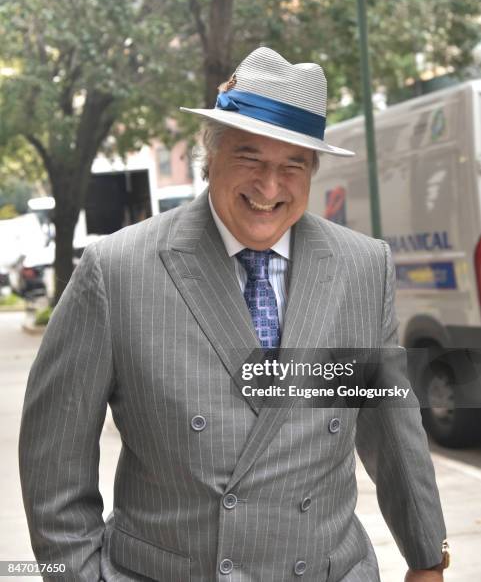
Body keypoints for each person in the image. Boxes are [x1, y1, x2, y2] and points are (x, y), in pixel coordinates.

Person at [19, 47, 448, 581]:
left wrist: (428, 557)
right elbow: (52, 464)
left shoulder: (364, 266)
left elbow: (393, 431)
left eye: (293, 165)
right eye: (250, 159)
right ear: (211, 155)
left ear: (312, 170)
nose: (270, 188)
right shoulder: (117, 270)